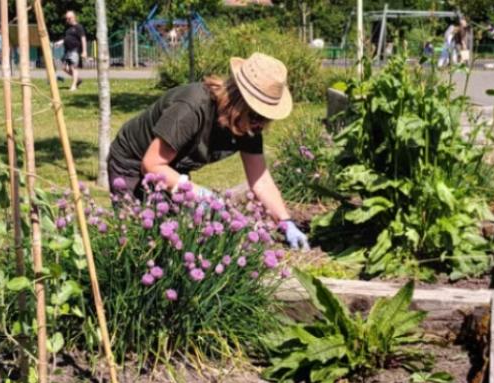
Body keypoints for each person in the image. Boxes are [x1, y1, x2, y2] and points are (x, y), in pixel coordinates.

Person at [107, 53, 309, 250]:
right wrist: (202, 195)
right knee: (138, 242)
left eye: (266, 117)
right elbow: (152, 165)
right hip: (132, 164)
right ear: (238, 102)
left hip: (173, 167)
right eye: (257, 116)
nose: (261, 125)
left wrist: (286, 221)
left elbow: (261, 181)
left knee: (175, 242)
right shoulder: (191, 108)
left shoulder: (248, 125)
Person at [58, 11, 87, 91]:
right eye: (66, 18)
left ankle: (73, 86)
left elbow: (83, 38)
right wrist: (60, 42)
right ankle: (78, 79)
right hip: (68, 51)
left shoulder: (79, 27)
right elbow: (66, 38)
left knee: (73, 67)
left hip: (75, 50)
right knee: (64, 68)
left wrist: (84, 51)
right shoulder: (68, 28)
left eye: (69, 18)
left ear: (74, 17)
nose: (67, 20)